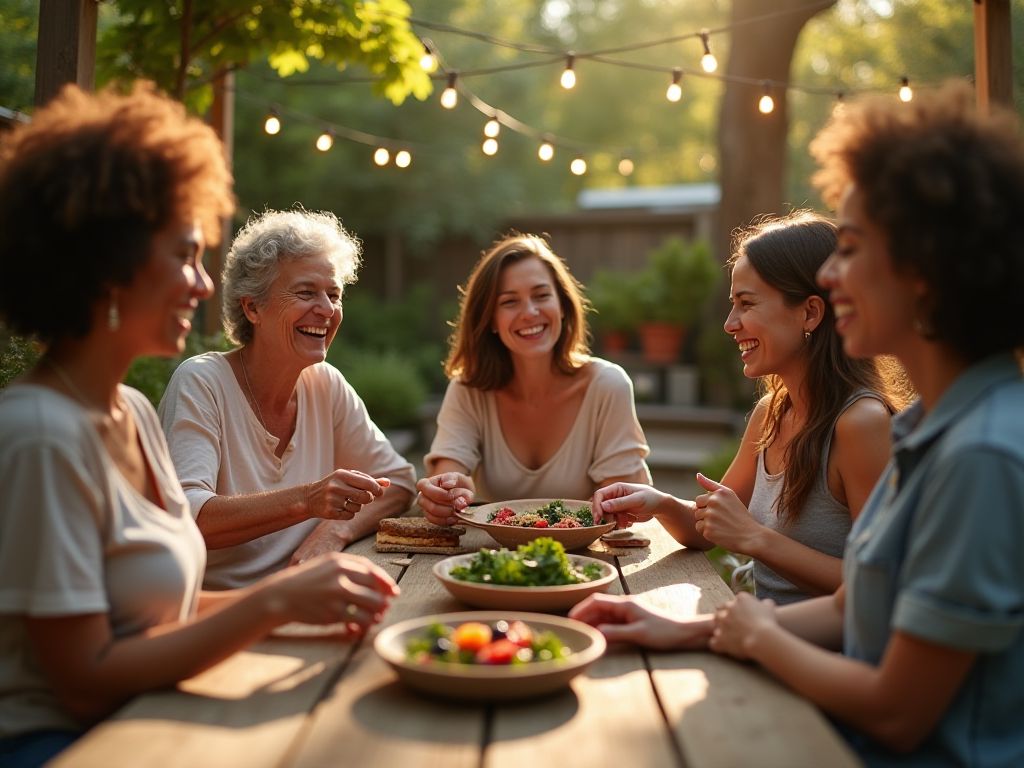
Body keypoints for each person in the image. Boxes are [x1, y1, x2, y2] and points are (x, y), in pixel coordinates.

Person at [573, 81, 1024, 766]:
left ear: (925, 267)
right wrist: (686, 628)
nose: (832, 276)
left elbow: (899, 714)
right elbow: (856, 607)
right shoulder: (932, 430)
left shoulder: (982, 454)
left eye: (850, 248)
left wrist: (758, 634)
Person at [0, 83, 399, 768]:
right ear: (109, 266)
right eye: (184, 254)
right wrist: (272, 606)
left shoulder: (134, 413)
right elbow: (86, 683)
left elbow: (164, 618)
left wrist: (296, 600)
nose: (204, 284)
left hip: (155, 710)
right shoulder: (40, 434)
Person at [595, 211, 905, 603]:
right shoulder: (771, 414)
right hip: (761, 636)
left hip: (822, 656)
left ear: (810, 312)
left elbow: (879, 588)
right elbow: (713, 526)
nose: (729, 323)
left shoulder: (861, 424)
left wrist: (756, 539)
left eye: (746, 304)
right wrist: (659, 503)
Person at [159, 208, 416, 590]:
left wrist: (333, 532)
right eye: (306, 292)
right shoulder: (202, 381)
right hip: (221, 614)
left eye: (334, 294)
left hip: (309, 595)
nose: (327, 310)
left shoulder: (324, 383)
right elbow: (187, 517)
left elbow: (398, 482)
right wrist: (308, 500)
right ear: (252, 307)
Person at [417, 233, 651, 526]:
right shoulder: (468, 390)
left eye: (541, 296)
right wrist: (446, 493)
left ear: (563, 306)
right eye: (509, 302)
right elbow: (446, 477)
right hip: (493, 559)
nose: (530, 312)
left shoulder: (608, 385)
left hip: (592, 560)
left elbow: (620, 511)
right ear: (489, 319)